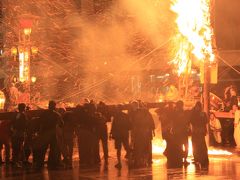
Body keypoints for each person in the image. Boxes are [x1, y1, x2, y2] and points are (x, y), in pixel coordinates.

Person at [38, 100, 64, 169]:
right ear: (54, 106)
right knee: (53, 149)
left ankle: (39, 163)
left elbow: (40, 122)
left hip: (45, 133)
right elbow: (61, 124)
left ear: (49, 105)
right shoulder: (56, 114)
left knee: (43, 149)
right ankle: (52, 163)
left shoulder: (44, 113)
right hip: (53, 134)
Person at [190, 102, 209, 168]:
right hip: (201, 132)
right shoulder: (203, 114)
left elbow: (191, 121)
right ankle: (203, 159)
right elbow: (205, 123)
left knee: (196, 146)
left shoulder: (193, 113)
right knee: (202, 145)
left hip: (195, 132)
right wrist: (206, 130)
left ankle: (197, 159)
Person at [172, 101, 190, 165]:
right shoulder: (183, 113)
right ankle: (184, 159)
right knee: (185, 146)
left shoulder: (175, 113)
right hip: (182, 132)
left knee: (180, 146)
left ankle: (180, 159)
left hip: (179, 132)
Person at [11, 103, 28, 167]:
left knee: (17, 146)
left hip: (17, 132)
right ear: (23, 108)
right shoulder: (22, 115)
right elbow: (24, 124)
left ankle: (19, 160)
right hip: (19, 132)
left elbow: (13, 122)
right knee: (18, 147)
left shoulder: (17, 114)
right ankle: (16, 162)